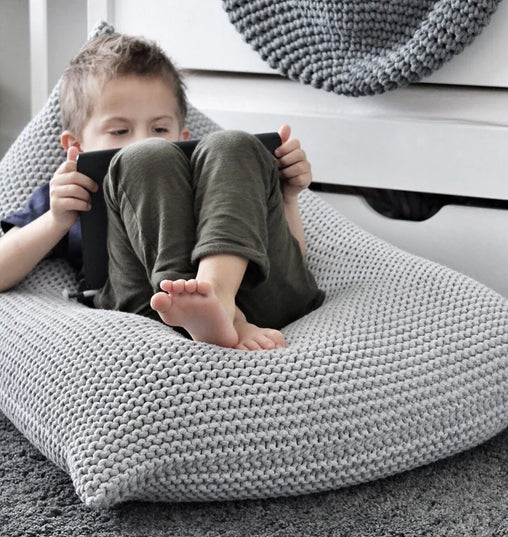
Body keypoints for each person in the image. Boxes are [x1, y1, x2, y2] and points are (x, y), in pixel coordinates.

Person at [0, 34, 324, 350]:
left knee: (235, 143)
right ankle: (217, 312)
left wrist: (288, 198)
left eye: (159, 129)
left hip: (264, 298)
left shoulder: (212, 169)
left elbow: (296, 256)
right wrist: (57, 220)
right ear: (75, 145)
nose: (141, 138)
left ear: (183, 134)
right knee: (145, 158)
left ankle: (220, 299)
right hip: (151, 307)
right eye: (119, 130)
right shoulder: (70, 191)